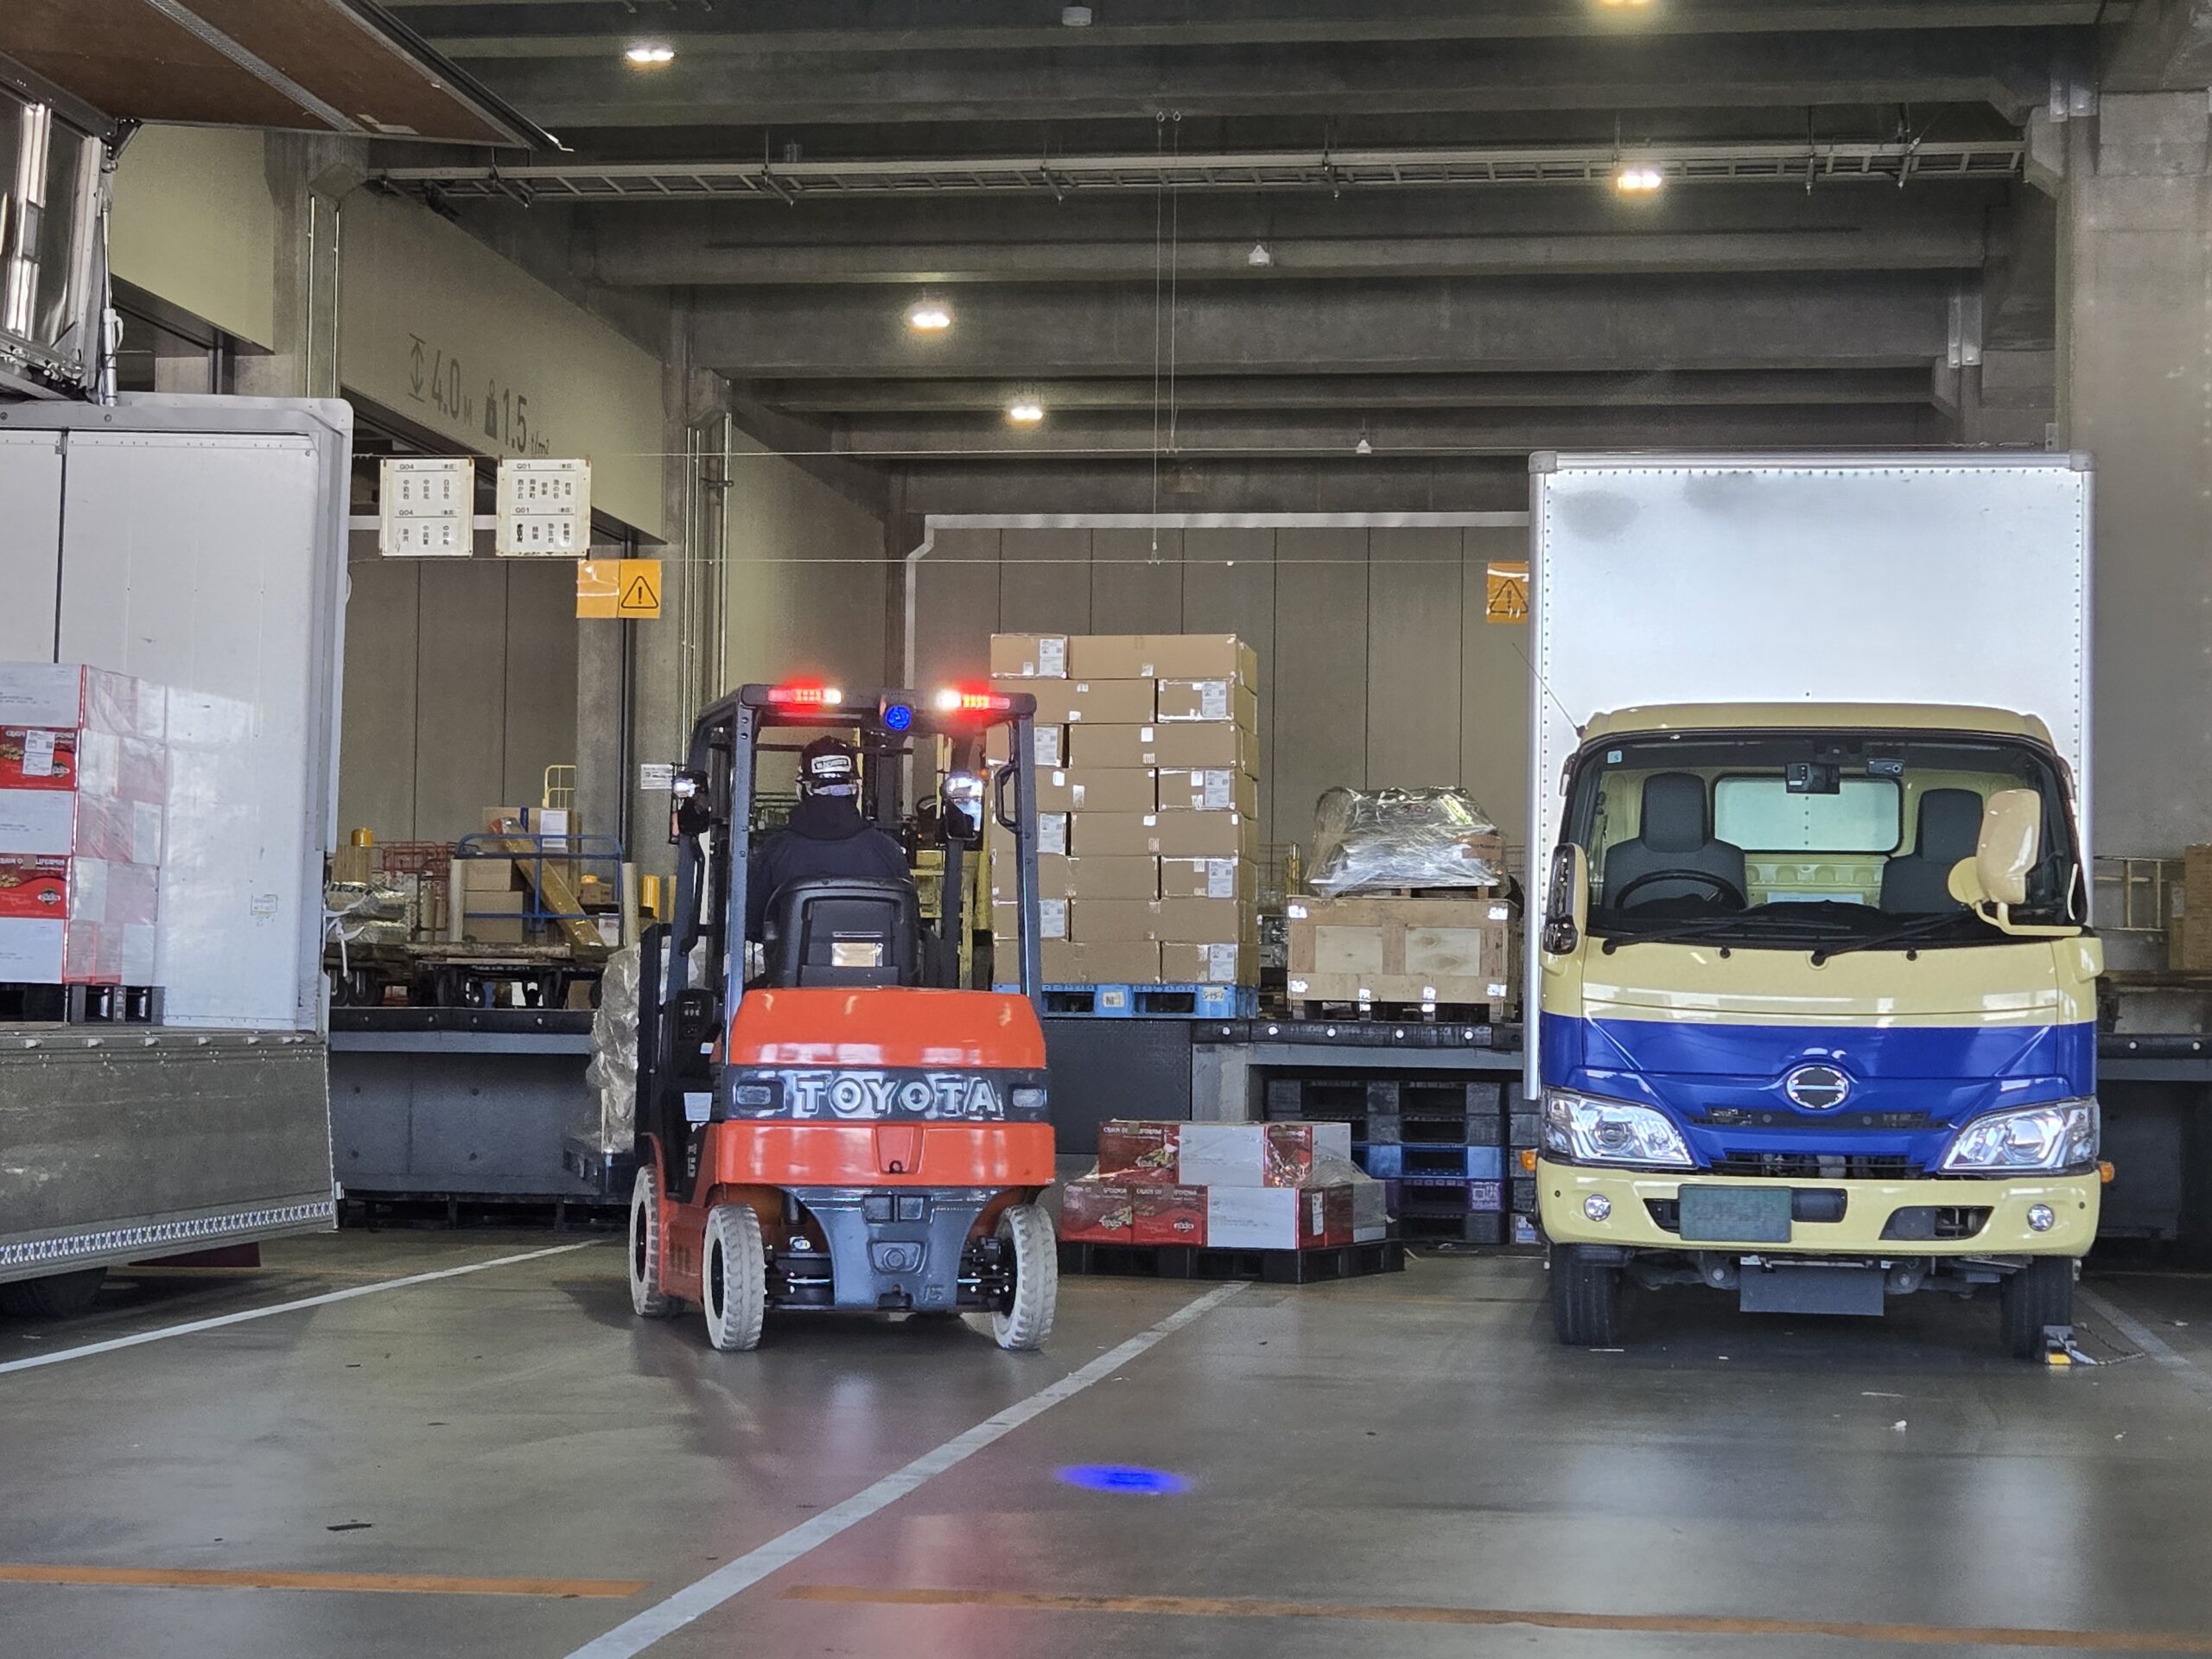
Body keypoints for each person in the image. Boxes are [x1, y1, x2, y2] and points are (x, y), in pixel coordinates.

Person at [745, 736, 910, 939]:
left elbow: (751, 925)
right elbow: (908, 924)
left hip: (795, 961)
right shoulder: (887, 851)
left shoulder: (775, 852)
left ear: (803, 789)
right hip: (875, 960)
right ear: (855, 789)